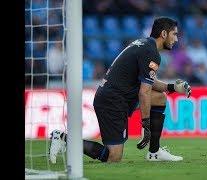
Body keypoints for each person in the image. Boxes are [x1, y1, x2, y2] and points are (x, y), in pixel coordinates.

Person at [49, 17, 192, 163]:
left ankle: (154, 152)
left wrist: (172, 87)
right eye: (174, 34)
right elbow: (144, 91)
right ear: (163, 34)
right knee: (113, 156)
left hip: (120, 97)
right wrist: (146, 124)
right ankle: (62, 138)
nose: (176, 39)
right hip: (112, 101)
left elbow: (149, 81)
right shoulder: (151, 52)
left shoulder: (144, 44)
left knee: (160, 98)